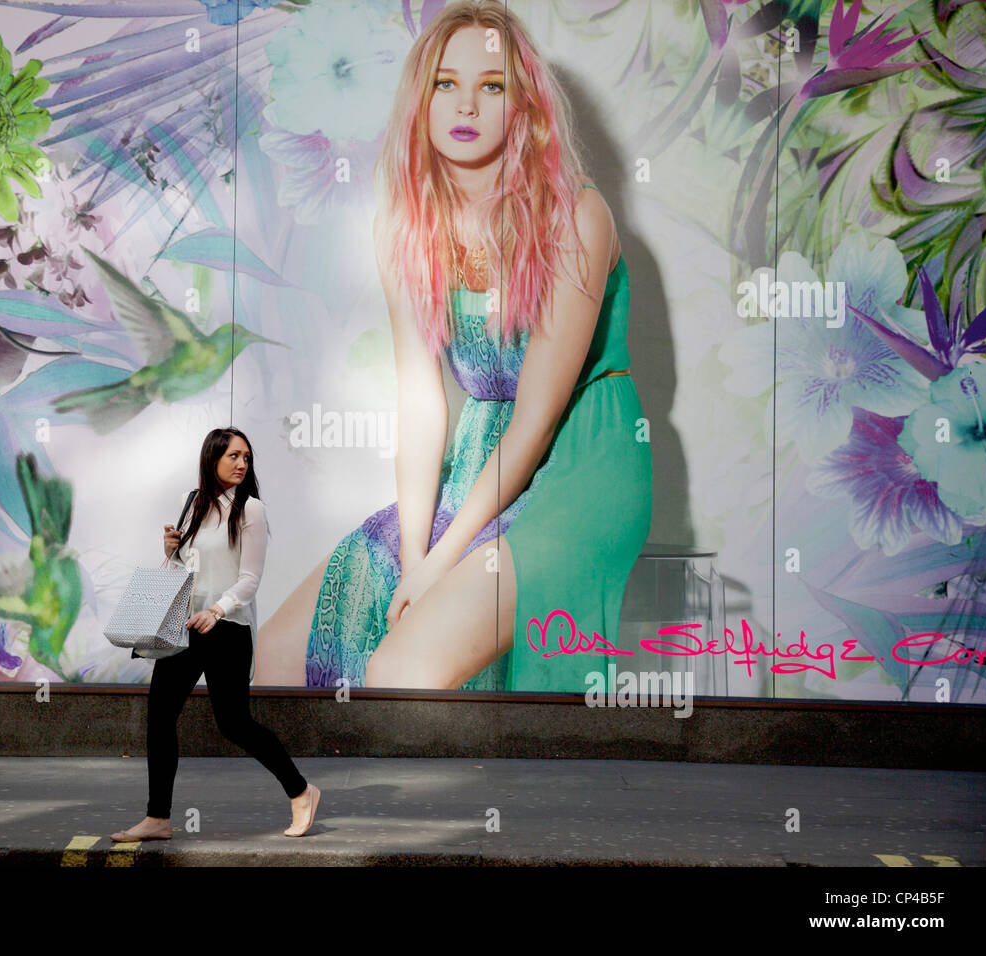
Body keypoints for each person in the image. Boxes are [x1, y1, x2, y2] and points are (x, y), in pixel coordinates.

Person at [252, 0, 652, 693]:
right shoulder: (404, 226)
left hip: (582, 456)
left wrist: (439, 569)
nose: (466, 103)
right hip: (476, 459)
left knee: (401, 670)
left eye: (491, 85)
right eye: (446, 83)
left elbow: (537, 418)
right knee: (272, 665)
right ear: (421, 98)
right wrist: (414, 554)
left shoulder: (575, 217)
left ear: (522, 105)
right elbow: (421, 401)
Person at [113, 427, 321, 840]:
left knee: (234, 723)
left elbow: (249, 579)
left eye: (247, 457)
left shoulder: (251, 510)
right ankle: (158, 818)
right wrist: (172, 550)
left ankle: (301, 791)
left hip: (227, 628)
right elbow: (188, 568)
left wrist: (217, 610)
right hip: (185, 626)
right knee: (159, 718)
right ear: (212, 460)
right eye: (234, 456)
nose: (242, 464)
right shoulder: (193, 502)